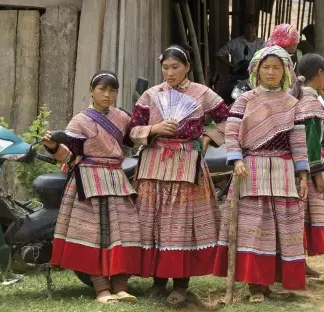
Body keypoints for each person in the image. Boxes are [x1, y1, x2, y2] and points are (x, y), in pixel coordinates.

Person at [129, 45, 229, 304]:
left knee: (182, 223)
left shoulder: (202, 93)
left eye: (175, 67)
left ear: (187, 67)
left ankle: (181, 284)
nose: (170, 72)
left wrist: (208, 138)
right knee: (154, 221)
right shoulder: (151, 96)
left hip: (187, 163)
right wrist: (153, 128)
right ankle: (158, 282)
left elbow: (227, 119)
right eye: (165, 67)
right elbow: (132, 129)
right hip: (153, 164)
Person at [213, 46, 310, 303]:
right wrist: (236, 160)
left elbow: (298, 142)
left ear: (285, 71)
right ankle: (255, 287)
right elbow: (232, 133)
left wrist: (302, 174)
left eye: (276, 67)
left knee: (281, 227)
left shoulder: (293, 104)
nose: (270, 72)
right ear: (256, 70)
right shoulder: (245, 100)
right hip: (251, 170)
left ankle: (270, 283)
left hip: (283, 172)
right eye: (266, 67)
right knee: (253, 227)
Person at [44, 70, 141, 304]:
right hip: (88, 180)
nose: (107, 95)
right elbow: (68, 157)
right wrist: (52, 147)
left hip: (116, 179)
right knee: (96, 235)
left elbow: (133, 141)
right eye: (102, 89)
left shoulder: (122, 118)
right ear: (91, 91)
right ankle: (102, 290)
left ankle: (121, 287)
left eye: (112, 90)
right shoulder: (80, 121)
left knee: (125, 232)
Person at [291, 54, 324, 277]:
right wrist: (317, 174)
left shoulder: (296, 99)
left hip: (292, 168)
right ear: (319, 74)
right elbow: (311, 144)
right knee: (306, 216)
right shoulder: (312, 104)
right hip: (305, 172)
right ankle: (298, 264)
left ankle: (298, 262)